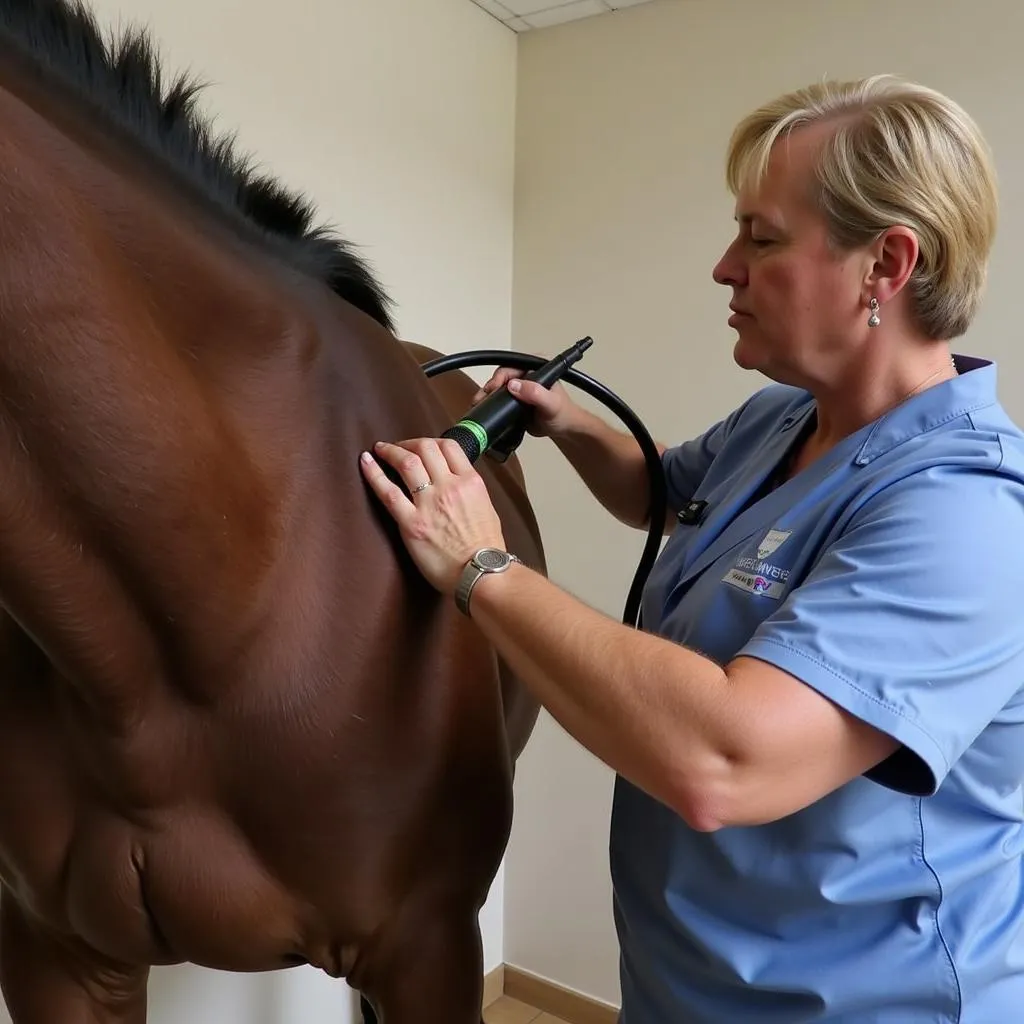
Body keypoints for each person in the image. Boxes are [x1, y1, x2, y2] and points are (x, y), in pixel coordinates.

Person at [359, 74, 1024, 1022]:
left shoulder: (968, 515)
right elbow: (673, 491)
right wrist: (570, 425)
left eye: (762, 238)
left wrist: (479, 566)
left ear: (886, 265)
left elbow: (728, 761)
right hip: (688, 981)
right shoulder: (786, 416)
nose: (724, 266)